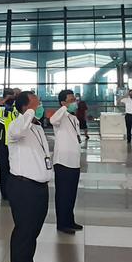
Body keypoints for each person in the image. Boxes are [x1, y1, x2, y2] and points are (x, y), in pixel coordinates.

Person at [4, 91, 53, 262]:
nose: (40, 105)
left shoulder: (36, 127)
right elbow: (16, 133)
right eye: (35, 103)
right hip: (23, 188)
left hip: (39, 188)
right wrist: (28, 111)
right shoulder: (16, 125)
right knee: (23, 235)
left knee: (32, 234)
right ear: (25, 107)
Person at [50, 90, 83, 233]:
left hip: (74, 160)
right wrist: (64, 107)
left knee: (71, 194)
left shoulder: (73, 118)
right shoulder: (60, 116)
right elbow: (52, 120)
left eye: (74, 99)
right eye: (70, 100)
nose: (74, 102)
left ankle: (70, 220)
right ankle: (62, 223)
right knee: (63, 194)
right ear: (63, 103)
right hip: (62, 161)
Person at [0, 89, 18, 200]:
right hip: (3, 143)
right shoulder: (0, 108)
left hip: (15, 143)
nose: (11, 98)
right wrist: (3, 101)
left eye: (12, 96)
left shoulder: (17, 108)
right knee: (4, 169)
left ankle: (14, 190)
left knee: (14, 168)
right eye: (9, 96)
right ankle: (5, 193)